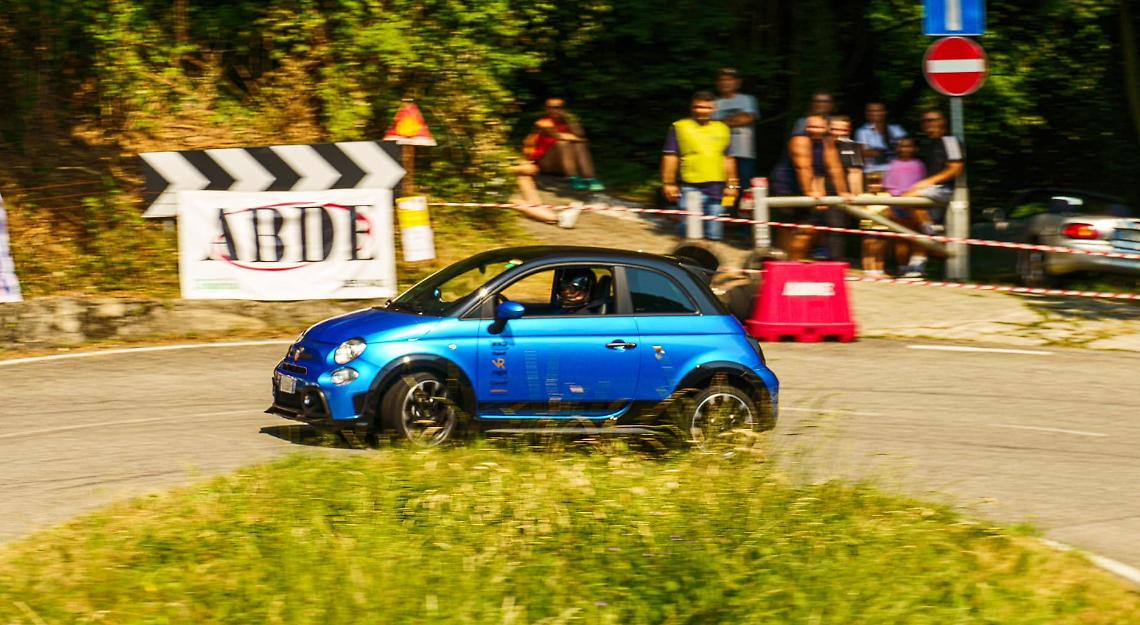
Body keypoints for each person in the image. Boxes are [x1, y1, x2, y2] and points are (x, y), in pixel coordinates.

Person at [768, 114, 848, 260]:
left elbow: (835, 169)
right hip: (786, 188)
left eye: (819, 127)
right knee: (787, 227)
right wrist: (810, 193)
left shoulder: (827, 144)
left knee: (807, 229)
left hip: (808, 186)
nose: (815, 130)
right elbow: (803, 167)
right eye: (811, 126)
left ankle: (795, 263)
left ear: (826, 128)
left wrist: (843, 192)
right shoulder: (800, 140)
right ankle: (780, 262)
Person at [661, 91, 738, 241]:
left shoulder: (723, 128)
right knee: (688, 228)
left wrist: (733, 185)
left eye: (707, 107)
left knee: (714, 232)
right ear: (692, 107)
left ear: (714, 108)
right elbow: (670, 156)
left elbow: (728, 158)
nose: (702, 110)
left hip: (717, 188)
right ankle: (682, 256)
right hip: (690, 186)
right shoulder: (679, 127)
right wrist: (668, 183)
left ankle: (709, 260)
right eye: (698, 106)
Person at [901, 109, 964, 277]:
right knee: (919, 225)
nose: (929, 124)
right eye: (926, 121)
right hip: (933, 191)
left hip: (944, 190)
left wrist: (927, 182)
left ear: (943, 122)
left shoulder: (950, 141)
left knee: (907, 199)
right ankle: (916, 269)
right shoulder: (930, 144)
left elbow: (956, 168)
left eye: (933, 120)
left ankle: (933, 234)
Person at [525, 98, 603, 192]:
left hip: (563, 164)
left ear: (564, 109)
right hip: (545, 163)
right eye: (550, 107)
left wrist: (569, 119)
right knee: (563, 143)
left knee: (580, 145)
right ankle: (573, 177)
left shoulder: (568, 122)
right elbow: (559, 136)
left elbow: (580, 133)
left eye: (557, 107)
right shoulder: (543, 123)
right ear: (546, 109)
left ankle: (590, 178)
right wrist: (576, 138)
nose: (553, 110)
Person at [712, 67, 758, 211]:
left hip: (744, 153)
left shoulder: (747, 100)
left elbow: (749, 118)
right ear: (717, 83)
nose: (726, 83)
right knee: (729, 186)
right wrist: (735, 120)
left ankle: (743, 225)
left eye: (730, 79)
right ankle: (728, 215)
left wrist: (721, 123)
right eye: (722, 80)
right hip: (722, 154)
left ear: (738, 82)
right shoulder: (714, 103)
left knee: (744, 189)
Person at [855, 101, 907, 174]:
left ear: (885, 112)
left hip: (897, 171)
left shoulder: (897, 129)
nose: (875, 113)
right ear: (866, 114)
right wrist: (890, 151)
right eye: (871, 111)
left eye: (879, 111)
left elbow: (906, 150)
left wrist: (878, 152)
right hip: (872, 172)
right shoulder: (862, 131)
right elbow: (862, 153)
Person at [858, 172, 892, 277]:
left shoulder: (887, 195)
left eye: (877, 183)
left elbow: (889, 210)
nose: (874, 186)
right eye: (871, 183)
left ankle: (880, 269)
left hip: (884, 227)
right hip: (869, 227)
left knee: (881, 250)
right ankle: (869, 269)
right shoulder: (863, 196)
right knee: (870, 250)